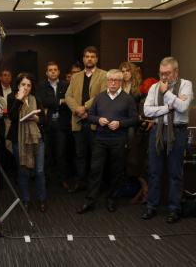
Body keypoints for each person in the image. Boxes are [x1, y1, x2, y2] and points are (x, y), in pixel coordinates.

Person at [76, 69, 139, 214]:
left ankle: (112, 200)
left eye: (116, 80)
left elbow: (135, 119)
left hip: (118, 139)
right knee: (95, 170)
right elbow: (90, 116)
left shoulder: (127, 98)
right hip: (100, 139)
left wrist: (120, 124)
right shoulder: (99, 97)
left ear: (121, 82)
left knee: (116, 171)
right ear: (107, 81)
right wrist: (98, 120)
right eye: (110, 80)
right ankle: (89, 202)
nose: (113, 83)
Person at [142, 57, 193, 223]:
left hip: (177, 132)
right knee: (154, 172)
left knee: (175, 173)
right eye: (161, 73)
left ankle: (174, 209)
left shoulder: (186, 85)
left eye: (167, 73)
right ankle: (151, 206)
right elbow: (147, 111)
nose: (163, 77)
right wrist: (170, 106)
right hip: (157, 131)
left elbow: (183, 107)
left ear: (176, 72)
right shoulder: (154, 87)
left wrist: (166, 94)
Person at [65, 46, 108, 194]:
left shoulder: (104, 75)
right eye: (87, 56)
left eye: (92, 56)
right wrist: (77, 109)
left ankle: (95, 186)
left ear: (97, 59)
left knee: (96, 156)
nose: (89, 59)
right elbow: (68, 95)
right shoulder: (76, 76)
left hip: (95, 122)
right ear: (83, 59)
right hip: (79, 122)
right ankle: (80, 183)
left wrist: (84, 108)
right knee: (80, 155)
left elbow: (102, 96)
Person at [7, 73, 47, 212]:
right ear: (18, 86)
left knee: (39, 170)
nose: (26, 87)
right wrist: (19, 99)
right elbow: (12, 116)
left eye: (28, 85)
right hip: (19, 139)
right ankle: (25, 200)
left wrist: (36, 118)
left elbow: (44, 119)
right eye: (23, 84)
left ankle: (42, 199)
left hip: (37, 138)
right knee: (23, 170)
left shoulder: (36, 98)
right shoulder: (12, 97)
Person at [37, 62, 71, 189]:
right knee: (46, 153)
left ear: (58, 72)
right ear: (46, 73)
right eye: (50, 70)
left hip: (62, 123)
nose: (52, 72)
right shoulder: (41, 85)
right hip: (47, 123)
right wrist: (60, 101)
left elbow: (70, 101)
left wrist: (54, 103)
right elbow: (42, 101)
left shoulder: (66, 85)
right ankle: (45, 179)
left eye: (55, 70)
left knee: (61, 153)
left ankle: (63, 179)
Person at [119, 62, 150, 203]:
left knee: (133, 159)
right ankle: (132, 189)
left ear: (133, 72)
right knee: (124, 159)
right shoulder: (117, 87)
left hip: (135, 127)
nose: (125, 73)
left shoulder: (139, 88)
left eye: (128, 71)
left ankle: (144, 188)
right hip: (119, 126)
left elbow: (144, 109)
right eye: (123, 71)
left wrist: (139, 117)